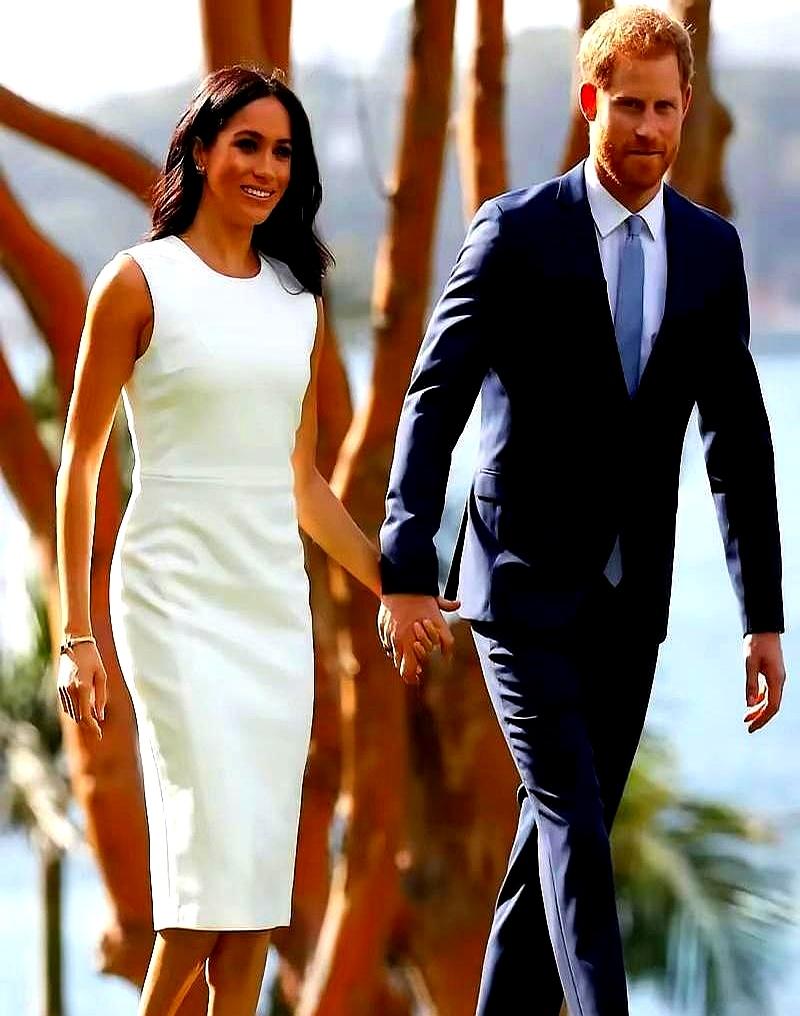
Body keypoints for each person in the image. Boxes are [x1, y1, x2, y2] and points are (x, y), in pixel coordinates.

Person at [377, 6, 787, 1015]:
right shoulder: (516, 232)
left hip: (630, 599)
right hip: (517, 589)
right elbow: (435, 395)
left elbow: (736, 444)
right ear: (588, 101)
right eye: (628, 106)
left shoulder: (711, 251)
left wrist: (762, 616)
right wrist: (404, 562)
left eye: (664, 108)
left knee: (546, 855)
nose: (647, 128)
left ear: (685, 108)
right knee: (573, 817)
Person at [54, 66, 439, 1016]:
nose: (266, 167)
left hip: (270, 609)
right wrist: (77, 634)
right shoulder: (137, 283)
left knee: (257, 900)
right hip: (171, 597)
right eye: (247, 145)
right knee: (203, 893)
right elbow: (81, 463)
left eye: (282, 151)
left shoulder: (296, 300)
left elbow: (300, 483)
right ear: (199, 151)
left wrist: (392, 584)